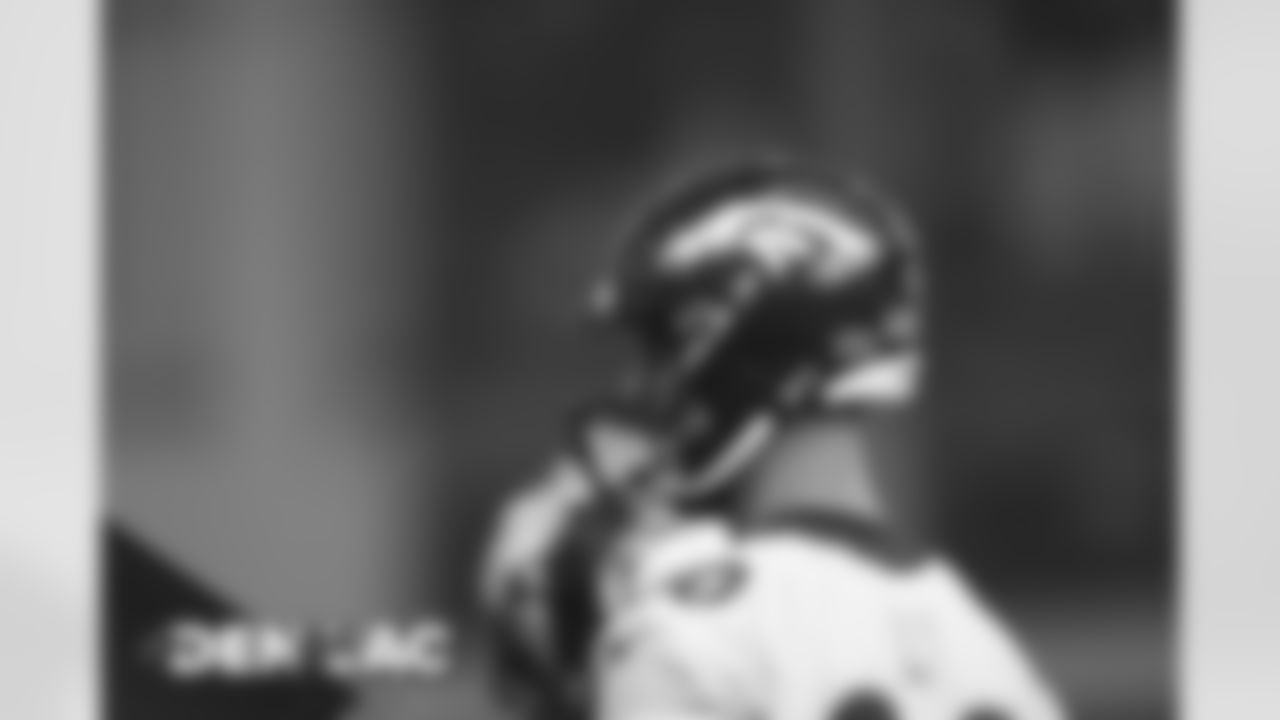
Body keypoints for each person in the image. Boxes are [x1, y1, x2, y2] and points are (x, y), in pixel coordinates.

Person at [578, 159, 1068, 720]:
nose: (639, 387)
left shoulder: (696, 633)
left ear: (740, 349)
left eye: (660, 351)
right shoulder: (983, 643)